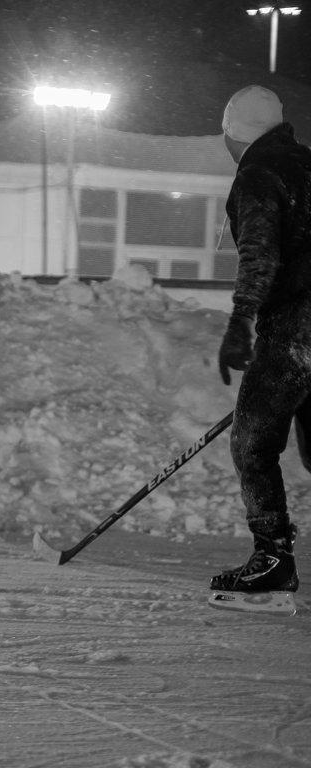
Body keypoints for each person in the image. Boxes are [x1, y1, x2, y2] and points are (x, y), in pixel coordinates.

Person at [213, 84, 309, 604]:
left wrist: (240, 322)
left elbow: (259, 253)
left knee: (252, 444)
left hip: (296, 327)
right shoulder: (309, 164)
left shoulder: (257, 174)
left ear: (235, 133)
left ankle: (272, 559)